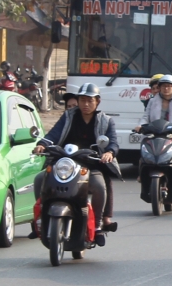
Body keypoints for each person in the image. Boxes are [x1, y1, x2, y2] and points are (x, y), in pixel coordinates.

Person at [32, 83, 120, 238]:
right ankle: (41, 219)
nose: (85, 104)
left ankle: (97, 224)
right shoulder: (68, 116)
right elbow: (54, 134)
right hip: (65, 163)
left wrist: (109, 153)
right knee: (40, 179)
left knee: (100, 187)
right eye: (82, 100)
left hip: (91, 164)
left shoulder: (106, 120)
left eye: (89, 100)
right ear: (78, 101)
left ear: (97, 101)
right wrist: (42, 145)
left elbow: (113, 142)